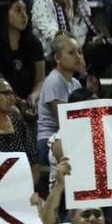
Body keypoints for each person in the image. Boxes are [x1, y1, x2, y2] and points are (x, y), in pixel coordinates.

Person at [30, 0, 112, 76]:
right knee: (66, 50)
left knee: (108, 49)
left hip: (79, 54)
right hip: (55, 58)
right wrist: (74, 51)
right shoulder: (43, 1)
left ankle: (84, 77)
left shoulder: (80, 1)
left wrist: (93, 41)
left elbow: (87, 32)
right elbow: (53, 35)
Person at [0, 0, 45, 112]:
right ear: (4, 14)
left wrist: (34, 96)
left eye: (25, 10)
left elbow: (40, 79)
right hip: (0, 105)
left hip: (30, 103)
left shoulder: (34, 43)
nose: (24, 15)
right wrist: (16, 102)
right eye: (18, 10)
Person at [35, 35, 85, 163]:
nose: (78, 57)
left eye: (79, 52)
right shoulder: (54, 81)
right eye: (71, 53)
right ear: (57, 58)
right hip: (49, 141)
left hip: (68, 139)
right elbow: (63, 121)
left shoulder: (76, 83)